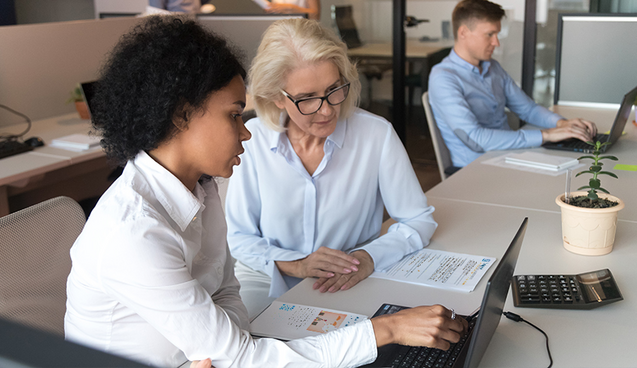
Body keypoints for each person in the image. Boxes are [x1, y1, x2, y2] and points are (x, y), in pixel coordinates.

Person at [64, 15, 466, 368]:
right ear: (181, 114)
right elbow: (239, 352)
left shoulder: (202, 189)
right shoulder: (133, 233)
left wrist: (234, 346)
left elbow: (225, 291)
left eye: (333, 90)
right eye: (235, 115)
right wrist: (387, 330)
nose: (245, 131)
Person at [225, 18, 438, 319]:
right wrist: (298, 265)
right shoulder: (254, 138)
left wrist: (368, 257)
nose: (327, 110)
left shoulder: (376, 135)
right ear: (277, 96)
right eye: (307, 98)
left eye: (333, 89)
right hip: (267, 277)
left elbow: (418, 220)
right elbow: (240, 237)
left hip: (348, 278)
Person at [428, 0, 598, 169]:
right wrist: (546, 135)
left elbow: (528, 109)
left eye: (497, 35)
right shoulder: (443, 78)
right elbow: (476, 140)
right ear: (463, 32)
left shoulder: (493, 68)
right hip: (477, 169)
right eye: (489, 34)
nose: (496, 43)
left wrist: (561, 124)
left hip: (510, 155)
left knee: (580, 165)